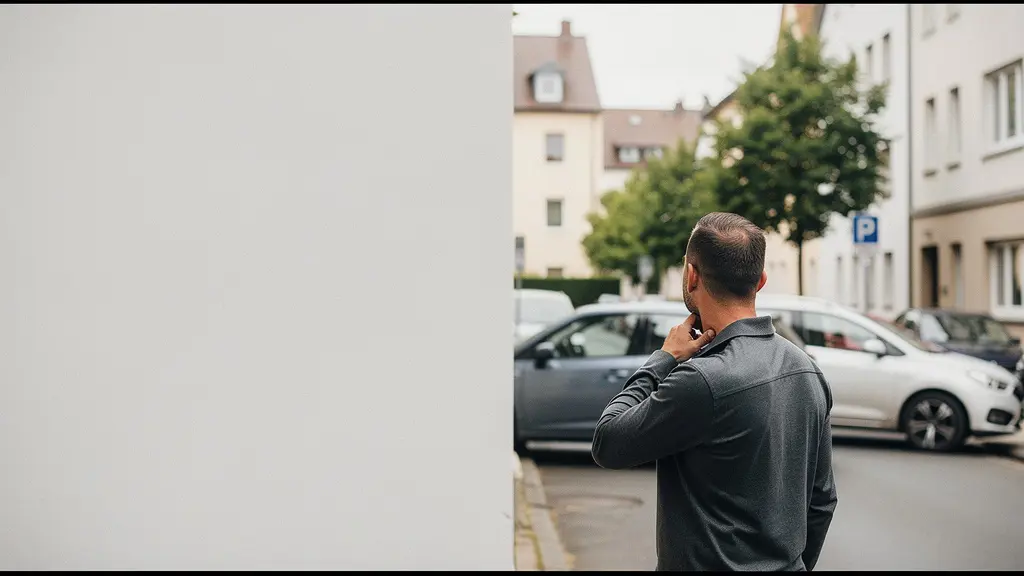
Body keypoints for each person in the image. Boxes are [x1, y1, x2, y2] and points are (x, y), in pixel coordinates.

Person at [591, 212, 838, 572]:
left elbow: (608, 443)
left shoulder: (701, 380)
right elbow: (822, 500)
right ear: (761, 280)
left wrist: (663, 359)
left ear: (691, 275)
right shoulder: (808, 370)